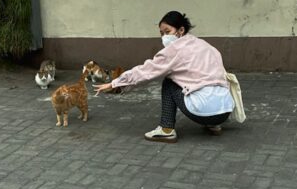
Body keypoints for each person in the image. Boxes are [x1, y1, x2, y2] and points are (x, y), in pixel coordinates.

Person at [93, 11, 234, 143]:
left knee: (169, 82)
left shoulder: (174, 50)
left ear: (181, 31)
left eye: (167, 32)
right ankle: (213, 125)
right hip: (225, 110)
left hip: (203, 111)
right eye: (161, 33)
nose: (164, 37)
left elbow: (146, 71)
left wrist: (115, 83)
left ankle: (166, 129)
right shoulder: (206, 46)